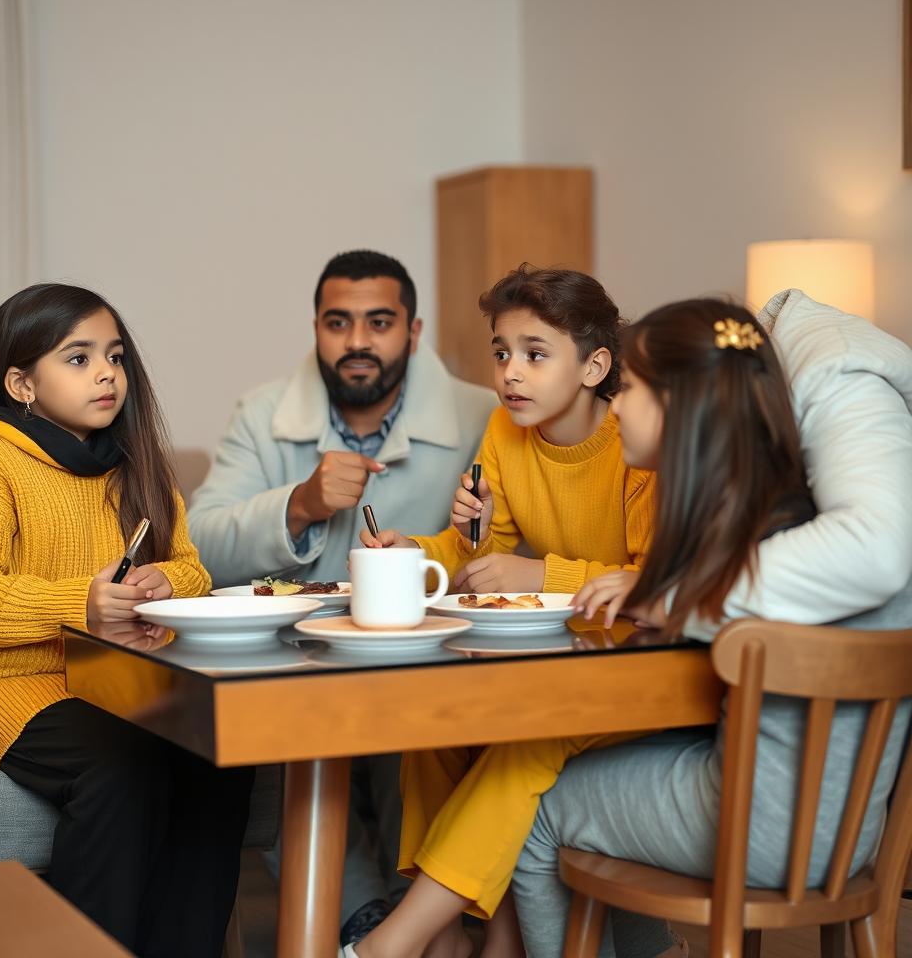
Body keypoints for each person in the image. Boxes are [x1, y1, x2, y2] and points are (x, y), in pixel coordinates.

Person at [511, 292, 912, 958]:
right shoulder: (785, 518)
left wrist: (666, 594)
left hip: (759, 828)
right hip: (847, 832)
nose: (616, 408)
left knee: (542, 807)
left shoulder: (746, 544)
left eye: (630, 388)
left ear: (680, 405)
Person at [0, 283, 255, 958]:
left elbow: (192, 568)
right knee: (121, 764)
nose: (107, 373)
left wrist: (166, 580)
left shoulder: (137, 463)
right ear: (20, 382)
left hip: (119, 678)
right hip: (11, 683)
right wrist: (82, 604)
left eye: (115, 356)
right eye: (78, 359)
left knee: (220, 750)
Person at [188, 249, 495, 945]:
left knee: (417, 738)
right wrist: (298, 504)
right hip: (294, 669)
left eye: (379, 322)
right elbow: (198, 545)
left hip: (425, 672)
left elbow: (513, 541)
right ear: (317, 329)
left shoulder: (484, 414)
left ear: (413, 332)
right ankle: (374, 922)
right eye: (339, 322)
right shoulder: (262, 412)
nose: (357, 341)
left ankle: (423, 921)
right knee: (286, 740)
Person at [351, 267, 658, 958]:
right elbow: (484, 558)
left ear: (595, 365)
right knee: (433, 727)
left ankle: (397, 945)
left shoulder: (636, 442)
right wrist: (428, 544)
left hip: (636, 674)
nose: (510, 373)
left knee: (519, 739)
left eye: (535, 353)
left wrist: (541, 572)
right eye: (500, 352)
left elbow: (652, 581)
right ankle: (457, 942)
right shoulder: (506, 430)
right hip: (556, 664)